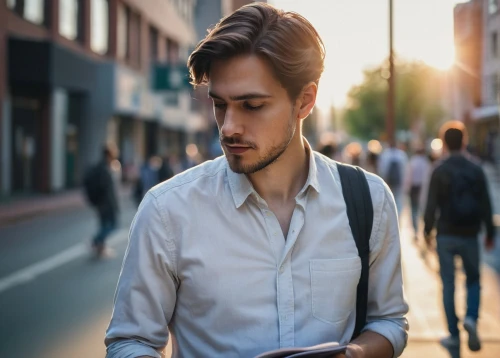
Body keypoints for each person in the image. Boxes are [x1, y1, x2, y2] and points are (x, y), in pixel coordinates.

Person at [105, 4, 408, 358]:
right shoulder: (167, 210)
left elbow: (389, 320)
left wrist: (353, 354)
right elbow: (130, 341)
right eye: (220, 104)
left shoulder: (368, 200)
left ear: (304, 101)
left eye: (251, 105)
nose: (229, 126)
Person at [423, 121, 495, 353]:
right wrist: (490, 233)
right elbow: (486, 203)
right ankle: (472, 318)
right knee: (473, 279)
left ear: (443, 143)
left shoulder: (439, 169)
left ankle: (453, 334)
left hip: (446, 234)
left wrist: (427, 231)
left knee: (448, 284)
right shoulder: (476, 169)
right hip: (470, 233)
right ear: (464, 141)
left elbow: (431, 204)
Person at [83, 144, 120, 258]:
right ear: (109, 155)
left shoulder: (100, 167)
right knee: (113, 225)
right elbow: (108, 190)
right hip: (107, 204)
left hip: (100, 203)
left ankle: (101, 249)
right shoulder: (105, 169)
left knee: (104, 224)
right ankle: (96, 240)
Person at [405, 147, 430, 241]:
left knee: (414, 210)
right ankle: (424, 229)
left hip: (414, 188)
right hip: (423, 187)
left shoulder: (412, 162)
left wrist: (406, 189)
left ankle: (416, 230)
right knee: (422, 209)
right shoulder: (425, 162)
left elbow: (408, 177)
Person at [378, 142, 408, 215]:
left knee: (388, 198)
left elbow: (382, 168)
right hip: (398, 181)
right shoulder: (402, 154)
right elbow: (405, 169)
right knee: (398, 199)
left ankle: (389, 214)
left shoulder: (385, 154)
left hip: (388, 181)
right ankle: (397, 214)